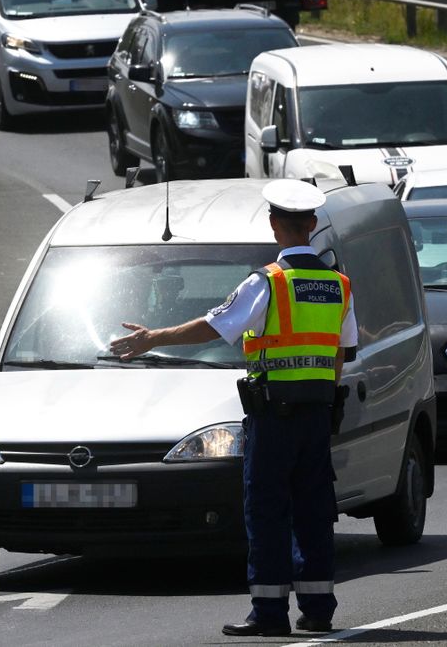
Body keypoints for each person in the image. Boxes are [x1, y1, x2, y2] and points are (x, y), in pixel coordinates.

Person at [109, 179, 357, 637]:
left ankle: (269, 614)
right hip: (317, 414)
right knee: (314, 509)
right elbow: (342, 351)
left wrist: (153, 338)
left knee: (265, 509)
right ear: (313, 224)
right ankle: (318, 609)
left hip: (273, 416)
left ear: (274, 225)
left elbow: (215, 325)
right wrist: (322, 398)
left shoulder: (269, 282)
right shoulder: (338, 285)